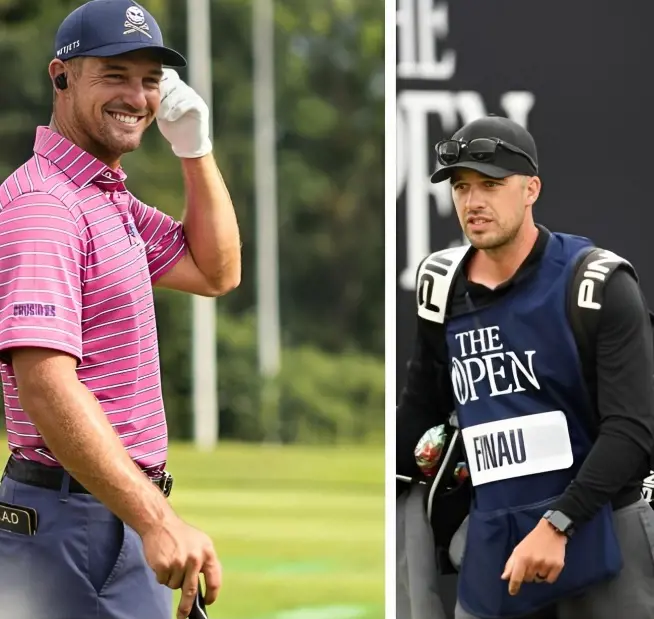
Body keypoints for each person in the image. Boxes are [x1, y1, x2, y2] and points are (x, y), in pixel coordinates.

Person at [0, 1, 241, 618]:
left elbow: (217, 271)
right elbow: (47, 385)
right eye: (115, 75)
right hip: (73, 522)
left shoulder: (105, 198)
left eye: (151, 79)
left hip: (102, 514)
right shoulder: (44, 205)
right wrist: (156, 520)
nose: (137, 96)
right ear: (62, 76)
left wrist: (195, 146)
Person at [396, 115, 654, 619]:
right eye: (462, 187)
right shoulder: (441, 286)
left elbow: (632, 432)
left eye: (491, 186)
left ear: (531, 189)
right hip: (496, 539)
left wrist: (559, 524)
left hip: (602, 525)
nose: (473, 202)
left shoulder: (598, 283)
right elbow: (422, 404)